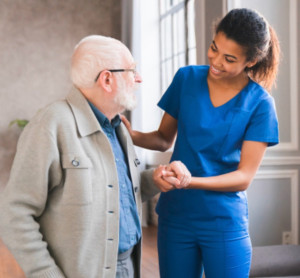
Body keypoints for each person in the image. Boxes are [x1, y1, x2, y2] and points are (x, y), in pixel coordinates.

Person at [0, 35, 190, 278]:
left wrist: (155, 179)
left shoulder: (118, 127)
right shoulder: (50, 124)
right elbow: (14, 213)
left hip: (128, 264)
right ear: (107, 79)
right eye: (132, 70)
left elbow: (113, 192)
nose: (139, 78)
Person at [121, 8, 280, 278]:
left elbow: (243, 177)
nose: (216, 61)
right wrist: (131, 134)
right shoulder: (186, 78)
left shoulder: (261, 104)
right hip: (176, 215)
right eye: (214, 48)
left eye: (229, 58)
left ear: (250, 62)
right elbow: (162, 139)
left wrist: (188, 181)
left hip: (223, 220)